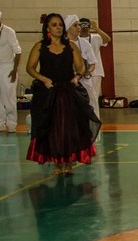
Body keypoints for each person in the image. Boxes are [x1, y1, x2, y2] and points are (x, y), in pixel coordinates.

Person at [26, 13, 100, 175]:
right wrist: (43, 79)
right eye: (54, 25)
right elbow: (30, 68)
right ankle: (57, 163)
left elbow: (81, 67)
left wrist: (77, 77)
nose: (58, 28)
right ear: (47, 28)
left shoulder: (71, 45)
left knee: (69, 128)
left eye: (60, 25)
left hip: (67, 92)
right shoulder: (39, 46)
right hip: (48, 93)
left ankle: (68, 162)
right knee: (52, 128)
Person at [0, 8, 23, 133]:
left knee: (8, 97)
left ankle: (11, 124)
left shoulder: (8, 31)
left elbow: (18, 52)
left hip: (7, 68)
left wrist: (14, 70)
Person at [66, 15, 100, 120]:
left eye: (79, 25)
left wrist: (88, 72)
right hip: (67, 82)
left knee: (91, 105)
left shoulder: (85, 44)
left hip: (84, 82)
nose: (79, 28)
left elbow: (92, 63)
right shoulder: (61, 44)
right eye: (75, 25)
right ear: (67, 28)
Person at [78, 18, 111, 115]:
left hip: (96, 72)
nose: (84, 28)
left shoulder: (95, 37)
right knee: (81, 96)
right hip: (80, 72)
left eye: (86, 25)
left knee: (94, 97)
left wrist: (96, 28)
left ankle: (95, 117)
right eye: (82, 25)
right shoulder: (76, 40)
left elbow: (107, 39)